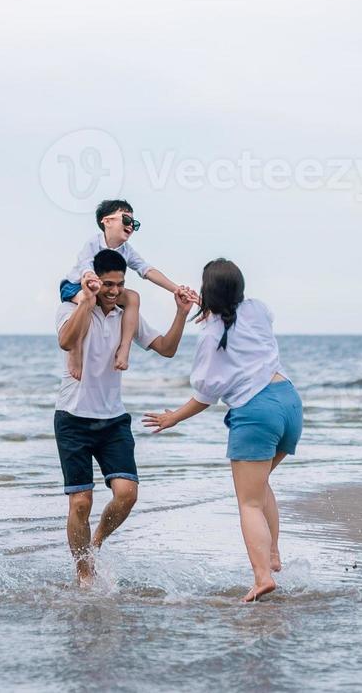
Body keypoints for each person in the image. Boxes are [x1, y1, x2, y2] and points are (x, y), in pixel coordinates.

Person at [143, 258, 302, 602]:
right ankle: (272, 554)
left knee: (248, 502)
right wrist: (215, 309)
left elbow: (206, 394)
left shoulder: (212, 335)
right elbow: (241, 315)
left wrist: (173, 418)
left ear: (205, 292)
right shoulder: (257, 310)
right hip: (289, 401)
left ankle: (262, 577)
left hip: (257, 412)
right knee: (259, 487)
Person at [55, 247, 195, 585]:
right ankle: (83, 571)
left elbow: (166, 348)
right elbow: (65, 340)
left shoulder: (125, 315)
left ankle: (96, 543)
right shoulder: (70, 307)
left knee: (127, 494)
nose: (114, 291)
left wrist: (180, 314)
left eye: (119, 284)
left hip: (113, 420)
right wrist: (87, 303)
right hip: (73, 417)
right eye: (107, 284)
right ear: (93, 281)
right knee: (80, 503)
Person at [57, 199, 196, 381]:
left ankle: (124, 348)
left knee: (133, 297)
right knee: (88, 301)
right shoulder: (93, 243)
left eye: (134, 223)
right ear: (107, 221)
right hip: (77, 286)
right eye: (126, 220)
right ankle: (75, 353)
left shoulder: (126, 250)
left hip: (100, 288)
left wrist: (176, 289)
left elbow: (147, 270)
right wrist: (91, 279)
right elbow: (85, 264)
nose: (131, 226)